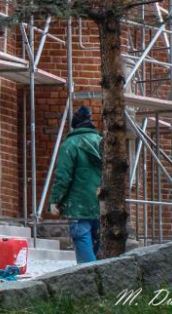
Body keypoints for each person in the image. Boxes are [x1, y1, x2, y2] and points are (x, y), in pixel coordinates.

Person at [49, 105, 103, 264]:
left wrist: (55, 200)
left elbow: (63, 176)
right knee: (99, 246)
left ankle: (90, 281)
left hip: (78, 206)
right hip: (100, 204)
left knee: (83, 242)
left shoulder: (70, 144)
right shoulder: (102, 142)